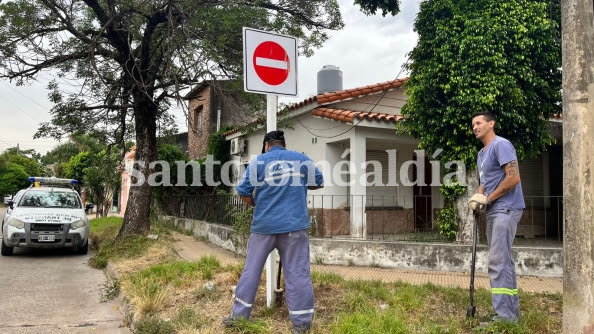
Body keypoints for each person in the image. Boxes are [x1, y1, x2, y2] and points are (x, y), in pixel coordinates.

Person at [223, 130, 324, 334]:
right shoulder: (301, 159)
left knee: (251, 270)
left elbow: (242, 191)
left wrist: (255, 204)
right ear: (283, 144)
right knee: (297, 272)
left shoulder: (258, 162)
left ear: (266, 146)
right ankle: (302, 325)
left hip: (264, 227)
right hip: (295, 227)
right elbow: (318, 182)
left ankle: (239, 318)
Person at [468, 111, 525, 323]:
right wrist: (478, 197)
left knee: (497, 262)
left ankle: (504, 316)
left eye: (479, 123)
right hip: (493, 209)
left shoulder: (501, 145)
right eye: (473, 124)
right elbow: (484, 182)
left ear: (491, 124)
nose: (475, 127)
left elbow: (513, 178)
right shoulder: (481, 154)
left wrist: (488, 199)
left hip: (506, 208)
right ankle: (510, 315)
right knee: (504, 262)